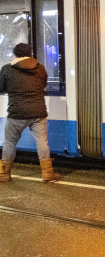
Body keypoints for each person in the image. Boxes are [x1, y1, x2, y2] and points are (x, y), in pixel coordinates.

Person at [0, 43, 61, 183]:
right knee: (42, 142)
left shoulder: (7, 69)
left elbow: (1, 87)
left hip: (17, 113)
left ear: (15, 54)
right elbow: (43, 84)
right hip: (38, 112)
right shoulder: (40, 69)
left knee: (10, 142)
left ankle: (4, 174)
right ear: (30, 54)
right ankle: (47, 172)